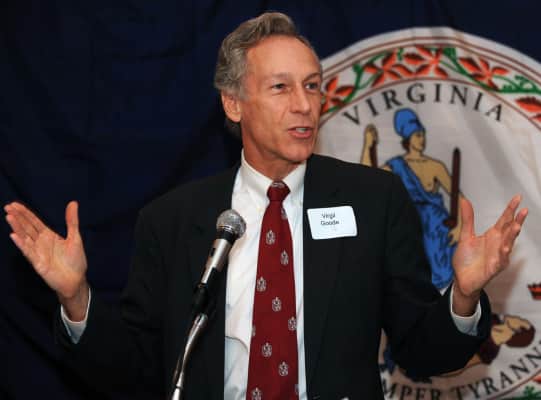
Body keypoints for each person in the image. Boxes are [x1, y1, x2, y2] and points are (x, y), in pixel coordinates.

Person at [4, 12, 528, 400]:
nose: (304, 105)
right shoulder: (173, 220)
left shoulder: (373, 201)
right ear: (234, 103)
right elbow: (135, 370)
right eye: (281, 88)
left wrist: (463, 295)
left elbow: (422, 352)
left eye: (313, 87)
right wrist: (77, 299)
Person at [360, 108, 466, 290]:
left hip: (437, 235)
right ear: (407, 138)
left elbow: (459, 197)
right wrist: (368, 146)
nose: (422, 139)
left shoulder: (435, 166)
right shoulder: (396, 166)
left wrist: (459, 228)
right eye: (417, 135)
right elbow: (367, 177)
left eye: (423, 134)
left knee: (443, 290)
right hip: (408, 233)